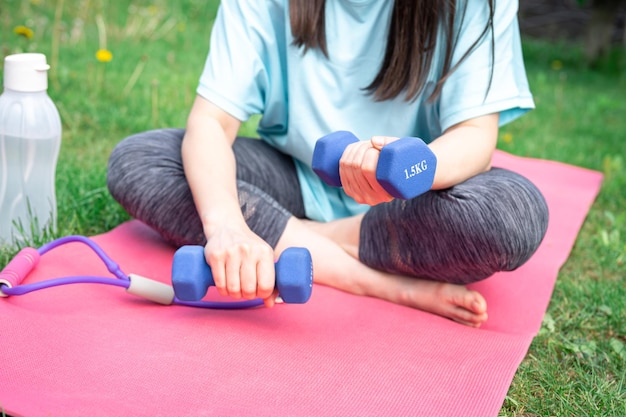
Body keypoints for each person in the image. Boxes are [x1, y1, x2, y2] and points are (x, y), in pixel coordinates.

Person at [107, 0, 549, 327]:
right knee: (142, 160)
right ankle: (376, 280)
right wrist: (226, 228)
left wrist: (411, 167)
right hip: (293, 179)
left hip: (413, 203)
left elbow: (475, 138)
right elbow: (211, 122)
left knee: (508, 217)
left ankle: (301, 237)